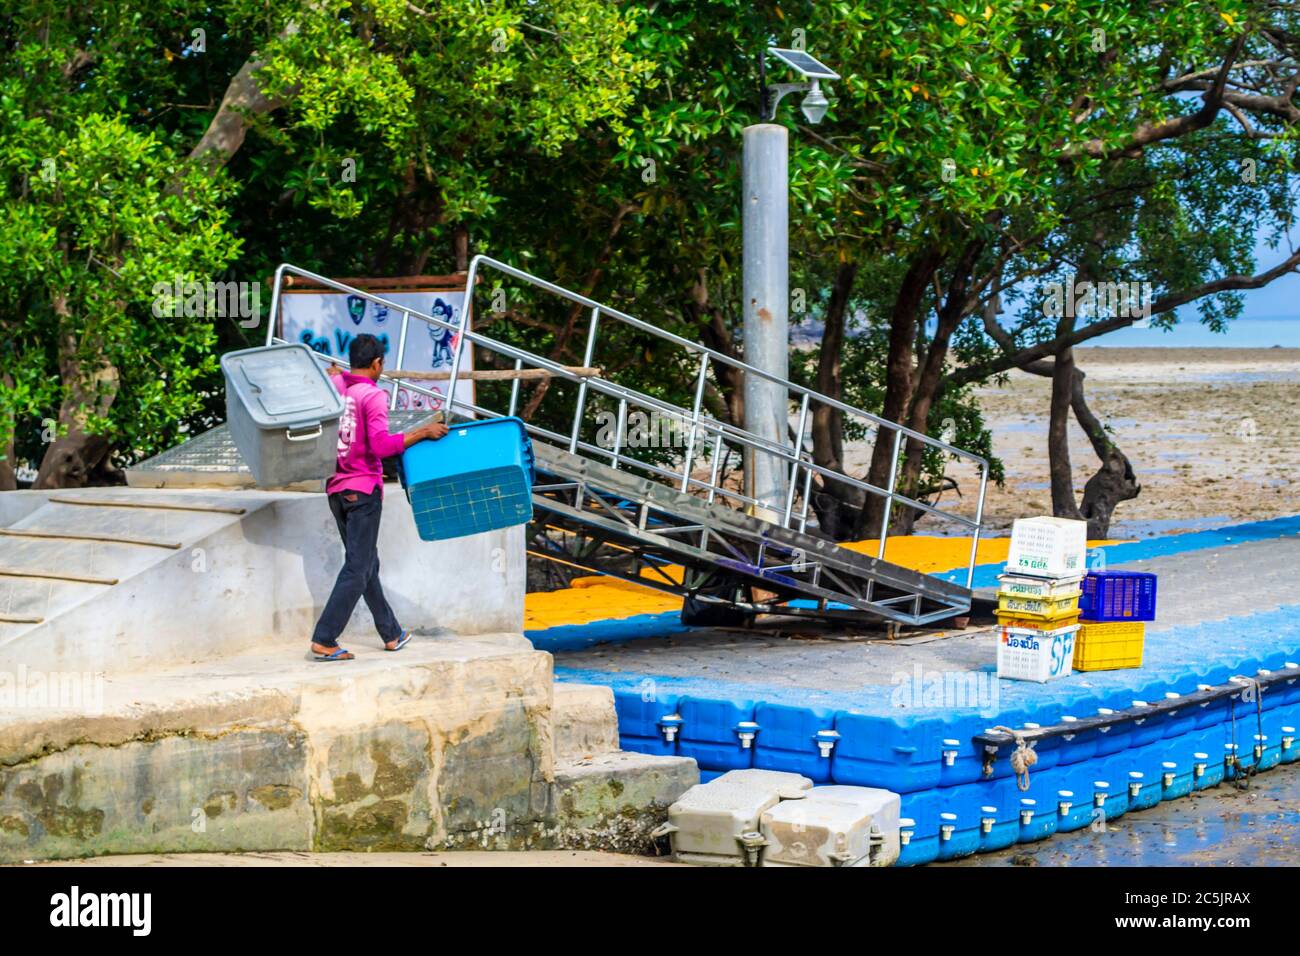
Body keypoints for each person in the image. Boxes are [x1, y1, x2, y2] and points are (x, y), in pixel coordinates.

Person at [310, 333, 448, 661]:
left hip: (336, 489)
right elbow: (382, 447)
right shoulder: (373, 396)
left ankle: (391, 633)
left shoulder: (336, 387)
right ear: (377, 363)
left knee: (367, 562)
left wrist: (334, 374)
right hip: (362, 490)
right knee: (358, 567)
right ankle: (324, 637)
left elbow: (334, 378)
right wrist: (423, 432)